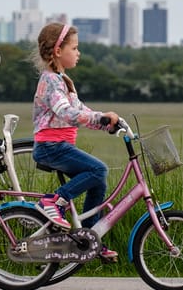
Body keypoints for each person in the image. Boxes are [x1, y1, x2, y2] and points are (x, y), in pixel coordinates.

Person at [30, 22, 119, 261]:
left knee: (98, 182)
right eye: (75, 48)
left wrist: (104, 122)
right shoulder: (50, 80)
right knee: (99, 169)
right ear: (58, 51)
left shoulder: (63, 80)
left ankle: (89, 239)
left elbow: (80, 110)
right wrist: (99, 118)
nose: (78, 53)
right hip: (51, 147)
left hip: (61, 146)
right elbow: (66, 112)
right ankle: (53, 201)